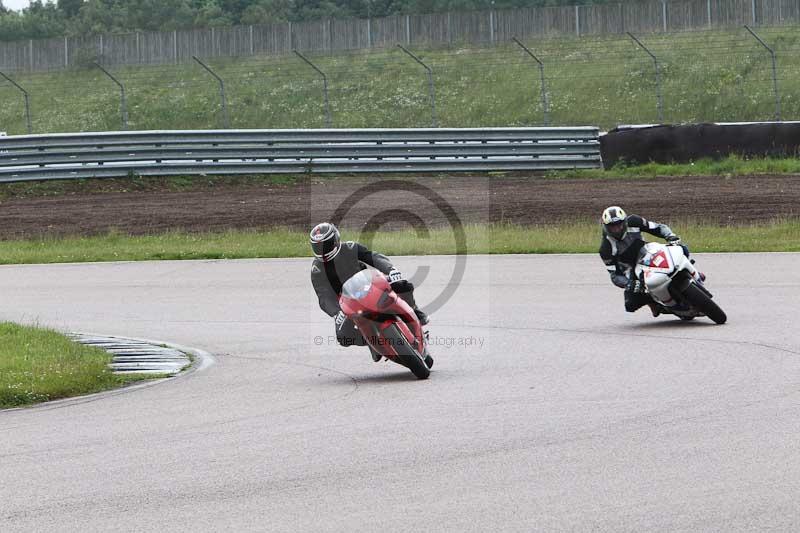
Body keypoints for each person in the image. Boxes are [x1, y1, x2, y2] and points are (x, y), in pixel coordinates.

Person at [310, 222, 429, 360]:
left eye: (325, 245)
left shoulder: (350, 247)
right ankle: (371, 342)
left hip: (369, 285)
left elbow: (374, 257)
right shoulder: (317, 270)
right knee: (343, 336)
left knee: (402, 285)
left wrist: (391, 270)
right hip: (347, 304)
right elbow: (323, 298)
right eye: (317, 246)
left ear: (335, 240)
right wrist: (337, 313)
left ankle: (415, 311)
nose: (322, 250)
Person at [599, 206, 687, 314]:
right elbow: (614, 275)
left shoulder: (635, 221)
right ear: (606, 227)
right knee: (630, 304)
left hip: (648, 253)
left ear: (625, 222)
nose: (617, 229)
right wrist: (628, 284)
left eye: (619, 225)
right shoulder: (605, 248)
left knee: (682, 248)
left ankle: (689, 272)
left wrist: (670, 236)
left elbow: (658, 228)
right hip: (632, 269)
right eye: (612, 227)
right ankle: (655, 304)